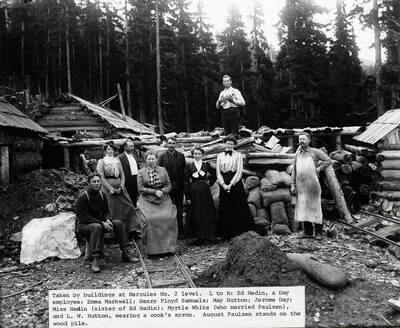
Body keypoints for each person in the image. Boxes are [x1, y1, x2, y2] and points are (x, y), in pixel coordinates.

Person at [76, 173, 139, 273]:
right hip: (85, 225)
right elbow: (84, 217)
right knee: (96, 227)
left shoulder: (102, 195)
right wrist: (101, 222)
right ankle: (96, 259)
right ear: (89, 183)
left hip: (99, 223)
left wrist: (108, 219)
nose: (96, 184)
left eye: (98, 181)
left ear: (100, 182)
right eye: (93, 182)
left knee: (118, 223)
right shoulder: (83, 197)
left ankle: (125, 253)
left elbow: (106, 211)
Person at [96, 142, 143, 238]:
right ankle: (113, 234)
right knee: (112, 211)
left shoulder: (117, 160)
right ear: (105, 151)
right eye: (108, 149)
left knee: (129, 207)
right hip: (108, 190)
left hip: (120, 188)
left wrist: (121, 186)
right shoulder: (102, 161)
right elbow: (101, 177)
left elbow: (122, 174)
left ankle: (131, 230)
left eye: (112, 149)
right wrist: (111, 189)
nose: (110, 151)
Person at [291, 132, 332, 240]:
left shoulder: (314, 152)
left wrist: (319, 168)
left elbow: (328, 160)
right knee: (303, 208)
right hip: (301, 186)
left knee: (315, 208)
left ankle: (318, 233)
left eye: (304, 139)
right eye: (300, 139)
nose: (302, 141)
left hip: (313, 185)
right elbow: (294, 170)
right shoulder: (297, 154)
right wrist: (292, 184)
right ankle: (308, 232)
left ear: (309, 140)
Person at [137, 151, 178, 255]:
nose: (151, 161)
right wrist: (154, 191)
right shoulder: (141, 172)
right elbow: (141, 189)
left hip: (163, 199)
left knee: (168, 218)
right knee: (150, 220)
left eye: (153, 159)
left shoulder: (163, 170)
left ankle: (169, 247)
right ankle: (151, 250)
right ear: (146, 160)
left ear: (156, 159)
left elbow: (169, 185)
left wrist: (162, 191)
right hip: (147, 200)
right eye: (149, 159)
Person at [216, 135, 255, 239]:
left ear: (234, 145)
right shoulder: (219, 155)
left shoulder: (238, 155)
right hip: (224, 181)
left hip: (235, 182)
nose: (229, 145)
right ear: (225, 144)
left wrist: (231, 184)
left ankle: (240, 232)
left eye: (231, 144)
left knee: (238, 205)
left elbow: (239, 171)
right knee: (226, 207)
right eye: (228, 143)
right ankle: (227, 234)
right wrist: (224, 185)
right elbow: (218, 172)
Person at [184, 145, 218, 244]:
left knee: (206, 211)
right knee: (196, 212)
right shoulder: (189, 166)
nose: (197, 155)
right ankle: (198, 236)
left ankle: (208, 235)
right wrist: (188, 196)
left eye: (199, 154)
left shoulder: (206, 164)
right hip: (194, 190)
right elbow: (186, 181)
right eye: (195, 154)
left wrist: (210, 183)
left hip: (205, 190)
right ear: (193, 155)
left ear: (202, 154)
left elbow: (215, 174)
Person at [158, 137, 186, 238]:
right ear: (166, 144)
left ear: (176, 144)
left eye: (173, 143)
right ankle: (168, 231)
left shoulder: (181, 156)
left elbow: (183, 172)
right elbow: (159, 172)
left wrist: (182, 185)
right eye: (169, 143)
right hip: (166, 187)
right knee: (167, 209)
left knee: (178, 208)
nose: (171, 145)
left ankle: (180, 231)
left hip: (178, 186)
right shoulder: (161, 157)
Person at [118, 139, 140, 207]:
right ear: (125, 147)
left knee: (135, 198)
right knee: (127, 200)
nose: (132, 147)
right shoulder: (120, 157)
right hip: (127, 181)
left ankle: (134, 212)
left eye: (133, 146)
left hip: (135, 179)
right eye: (130, 146)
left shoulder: (135, 156)